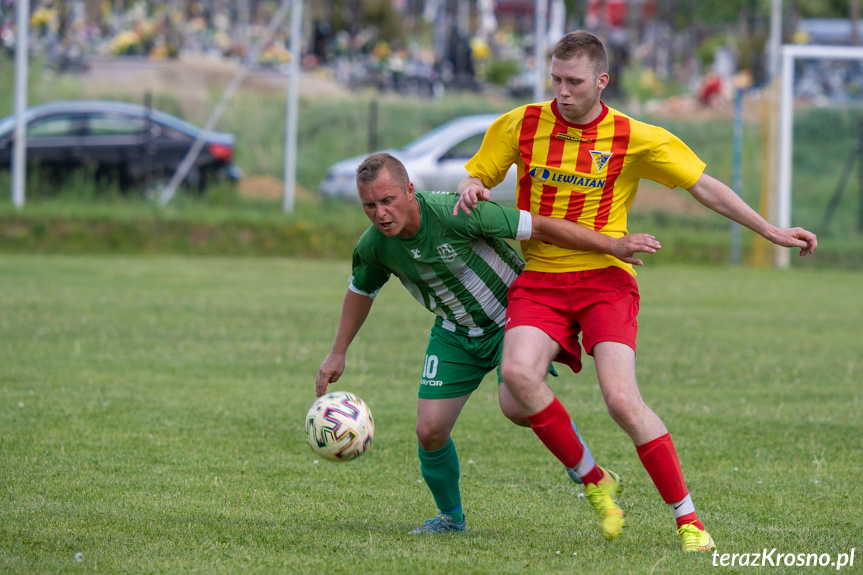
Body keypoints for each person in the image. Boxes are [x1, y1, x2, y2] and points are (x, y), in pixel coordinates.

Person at [453, 30, 818, 552]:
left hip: (606, 277)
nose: (562, 91)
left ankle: (688, 520)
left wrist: (770, 230)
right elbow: (479, 176)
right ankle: (596, 480)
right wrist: (474, 185)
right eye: (555, 79)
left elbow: (704, 186)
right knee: (514, 391)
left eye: (574, 81)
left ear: (602, 81)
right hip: (542, 279)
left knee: (622, 399)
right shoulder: (521, 123)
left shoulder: (635, 136)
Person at [316, 152, 663, 535]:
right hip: (455, 332)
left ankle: (584, 466)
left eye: (388, 201)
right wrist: (338, 351)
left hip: (515, 320)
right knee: (429, 431)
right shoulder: (374, 246)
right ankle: (451, 519)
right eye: (370, 205)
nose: (380, 213)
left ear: (410, 190)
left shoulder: (458, 213)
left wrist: (610, 246)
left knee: (516, 407)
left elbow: (541, 226)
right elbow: (361, 290)